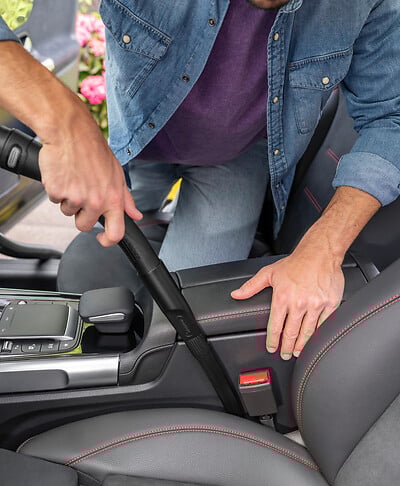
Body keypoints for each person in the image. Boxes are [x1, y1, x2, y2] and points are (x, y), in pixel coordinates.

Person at [0, 0, 399, 361]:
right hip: (139, 137)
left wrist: (324, 247)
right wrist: (66, 121)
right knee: (101, 252)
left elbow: (391, 118)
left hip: (238, 154)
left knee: (178, 324)